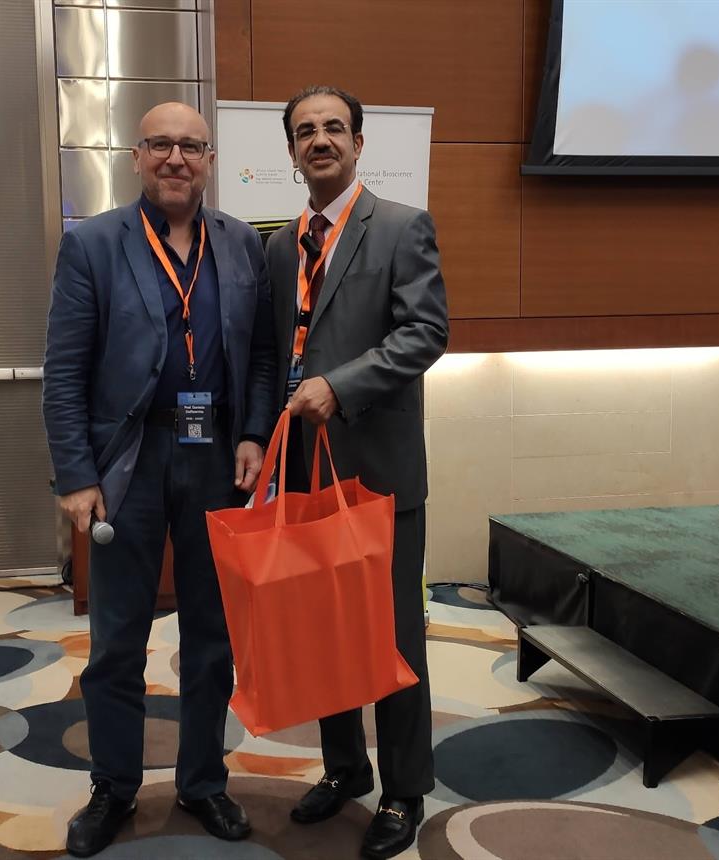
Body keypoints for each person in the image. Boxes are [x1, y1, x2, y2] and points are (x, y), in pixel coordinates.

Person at [43, 101, 278, 858]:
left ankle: (202, 781)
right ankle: (113, 787)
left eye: (191, 146)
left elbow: (264, 357)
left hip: (216, 461)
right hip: (129, 463)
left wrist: (253, 433)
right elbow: (64, 371)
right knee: (118, 639)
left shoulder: (241, 243)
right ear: (137, 156)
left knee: (214, 637)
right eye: (161, 145)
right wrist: (76, 474)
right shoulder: (93, 244)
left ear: (209, 160)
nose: (177, 158)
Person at [268, 85, 449, 859]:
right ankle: (346, 768)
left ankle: (405, 789)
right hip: (307, 473)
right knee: (325, 632)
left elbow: (426, 333)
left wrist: (339, 387)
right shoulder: (279, 247)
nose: (321, 140)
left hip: (379, 474)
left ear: (359, 143)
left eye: (334, 128)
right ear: (291, 151)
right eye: (306, 131)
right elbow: (276, 352)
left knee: (394, 637)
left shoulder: (402, 228)